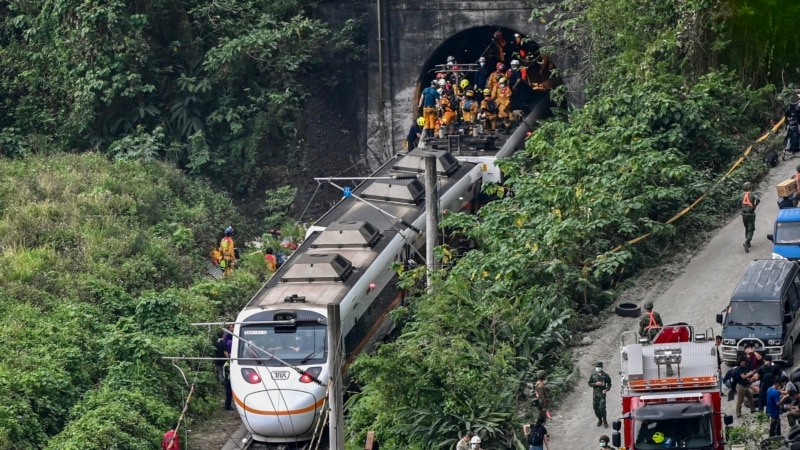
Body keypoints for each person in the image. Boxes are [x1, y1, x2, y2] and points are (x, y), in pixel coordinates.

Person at [588, 361, 612, 427]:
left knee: (602, 407)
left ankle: (605, 420)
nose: (598, 368)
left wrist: (606, 389)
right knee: (595, 407)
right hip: (595, 395)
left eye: (599, 367)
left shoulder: (605, 375)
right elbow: (589, 383)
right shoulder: (593, 375)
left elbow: (609, 383)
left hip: (602, 394)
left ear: (601, 367)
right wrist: (595, 384)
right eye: (597, 367)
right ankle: (599, 419)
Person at [740, 182, 760, 252]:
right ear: (750, 188)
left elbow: (738, 203)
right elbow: (757, 199)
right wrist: (754, 206)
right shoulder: (752, 194)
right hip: (750, 214)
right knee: (751, 228)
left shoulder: (741, 195)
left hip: (744, 214)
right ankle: (746, 241)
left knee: (746, 227)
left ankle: (748, 243)